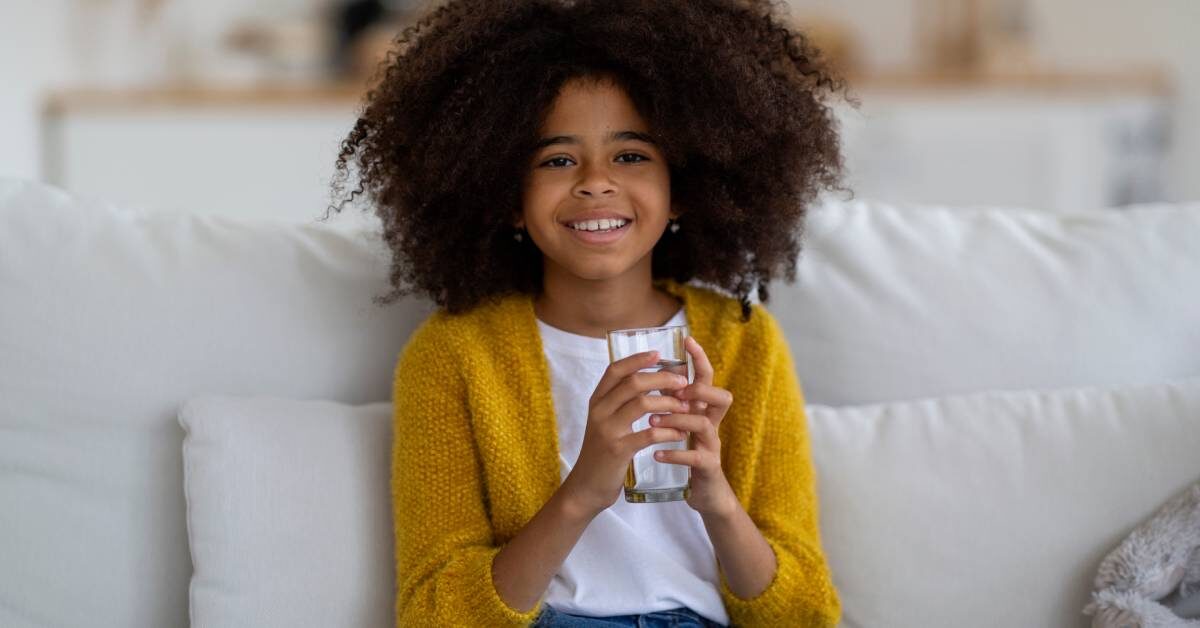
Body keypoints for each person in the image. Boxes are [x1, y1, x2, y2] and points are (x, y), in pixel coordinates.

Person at [326, 1, 849, 625]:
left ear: (681, 190)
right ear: (507, 197)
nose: (595, 182)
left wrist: (718, 502)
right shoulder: (455, 354)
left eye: (630, 156)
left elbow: (805, 615)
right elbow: (436, 614)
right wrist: (583, 492)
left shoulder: (744, 342)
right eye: (556, 160)